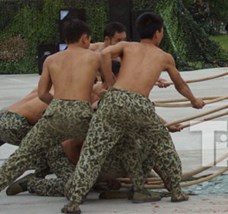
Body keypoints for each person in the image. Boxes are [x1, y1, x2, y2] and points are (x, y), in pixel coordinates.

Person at [62, 12, 205, 213]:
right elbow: (180, 84)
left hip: (113, 101)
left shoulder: (127, 47)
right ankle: (176, 191)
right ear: (158, 33)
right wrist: (194, 101)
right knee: (163, 147)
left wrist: (109, 81)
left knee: (92, 153)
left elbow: (103, 54)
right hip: (139, 104)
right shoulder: (164, 56)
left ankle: (74, 201)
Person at [0, 19, 103, 193]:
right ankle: (41, 183)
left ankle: (37, 174)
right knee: (88, 152)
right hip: (70, 115)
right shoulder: (93, 64)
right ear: (85, 38)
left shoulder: (53, 61)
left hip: (32, 115)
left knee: (23, 156)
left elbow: (42, 94)